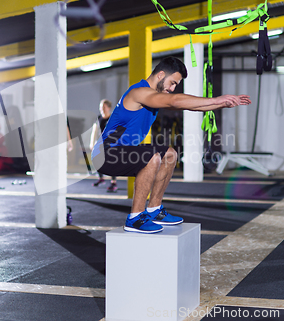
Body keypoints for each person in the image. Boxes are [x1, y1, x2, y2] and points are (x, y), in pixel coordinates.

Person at [92, 56, 251, 233]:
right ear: (160, 75)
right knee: (151, 158)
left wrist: (222, 104)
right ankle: (135, 218)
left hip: (123, 151)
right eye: (172, 82)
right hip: (105, 155)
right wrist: (215, 99)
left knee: (169, 154)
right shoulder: (139, 92)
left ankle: (154, 210)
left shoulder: (153, 98)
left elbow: (189, 106)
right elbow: (174, 100)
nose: (173, 88)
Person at [90, 99, 118, 192]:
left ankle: (113, 182)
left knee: (111, 162)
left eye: (104, 107)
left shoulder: (112, 118)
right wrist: (92, 143)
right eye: (100, 107)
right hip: (100, 144)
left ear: (109, 108)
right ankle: (101, 178)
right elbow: (94, 131)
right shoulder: (98, 118)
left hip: (110, 144)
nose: (102, 109)